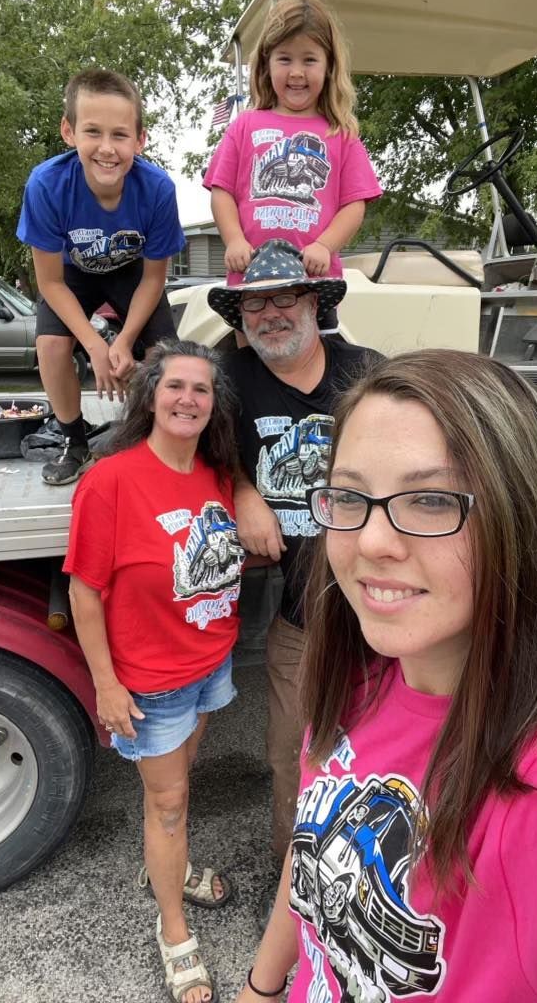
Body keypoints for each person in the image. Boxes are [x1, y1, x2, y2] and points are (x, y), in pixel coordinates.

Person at [235, 349, 537, 1003]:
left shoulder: (529, 795)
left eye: (431, 499)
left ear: (520, 513)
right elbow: (312, 845)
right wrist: (263, 987)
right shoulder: (353, 683)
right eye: (349, 496)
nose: (372, 541)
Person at [64, 340, 245, 1003]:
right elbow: (84, 590)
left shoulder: (217, 474)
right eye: (174, 386)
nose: (187, 399)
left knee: (176, 791)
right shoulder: (110, 479)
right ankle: (174, 930)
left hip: (210, 663)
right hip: (149, 678)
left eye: (201, 389)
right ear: (150, 396)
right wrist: (107, 684)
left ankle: (166, 865)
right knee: (167, 802)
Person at [207, 238, 383, 907]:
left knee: (384, 754)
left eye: (285, 297)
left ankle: (381, 884)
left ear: (314, 303)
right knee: (292, 757)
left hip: (379, 614)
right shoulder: (231, 377)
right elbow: (192, 444)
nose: (270, 314)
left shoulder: (365, 371)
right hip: (299, 623)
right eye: (255, 304)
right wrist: (243, 491)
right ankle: (294, 892)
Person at [17, 68, 185, 485]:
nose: (107, 149)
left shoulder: (157, 189)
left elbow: (153, 278)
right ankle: (74, 441)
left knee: (166, 355)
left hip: (132, 273)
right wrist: (94, 345)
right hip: (72, 273)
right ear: (69, 132)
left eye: (120, 135)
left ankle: (155, 439)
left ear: (140, 139)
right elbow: (50, 283)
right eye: (93, 132)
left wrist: (125, 341)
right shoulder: (47, 185)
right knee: (52, 346)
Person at [203, 0, 382, 329]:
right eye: (285, 59)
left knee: (319, 362)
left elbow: (354, 205)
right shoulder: (245, 125)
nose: (297, 72)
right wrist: (234, 240)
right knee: (249, 363)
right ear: (267, 63)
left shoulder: (341, 133)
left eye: (309, 60)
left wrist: (324, 246)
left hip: (314, 281)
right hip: (251, 280)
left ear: (329, 66)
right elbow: (221, 191)